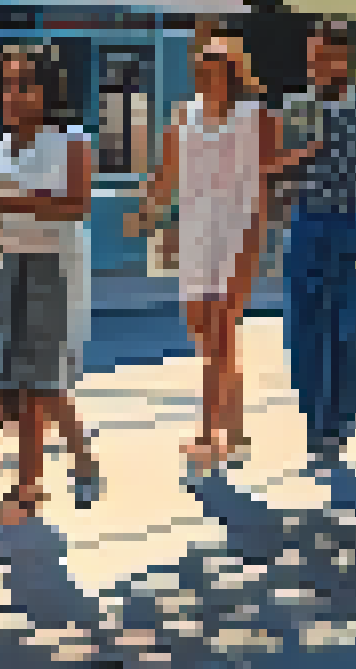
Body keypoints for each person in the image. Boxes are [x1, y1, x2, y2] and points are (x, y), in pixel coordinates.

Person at [0, 42, 103, 519]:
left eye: (25, 84)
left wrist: (6, 200)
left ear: (47, 89)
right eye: (7, 85)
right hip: (0, 264)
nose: (14, 95)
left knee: (36, 383)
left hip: (52, 265)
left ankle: (29, 486)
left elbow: (76, 205)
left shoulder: (72, 139)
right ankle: (80, 456)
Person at [131, 34, 279, 475]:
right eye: (199, 67)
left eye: (212, 66)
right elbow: (165, 176)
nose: (202, 74)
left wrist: (256, 241)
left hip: (237, 234)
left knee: (218, 330)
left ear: (231, 73)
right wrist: (147, 212)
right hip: (195, 236)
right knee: (201, 328)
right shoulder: (183, 119)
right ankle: (234, 422)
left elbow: (265, 183)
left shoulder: (257, 118)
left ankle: (209, 433)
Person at [277, 25, 356, 470]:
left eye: (325, 59)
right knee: (303, 331)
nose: (317, 68)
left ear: (344, 60)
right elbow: (275, 166)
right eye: (313, 60)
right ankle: (320, 427)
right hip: (307, 225)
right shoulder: (295, 111)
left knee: (346, 329)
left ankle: (345, 405)